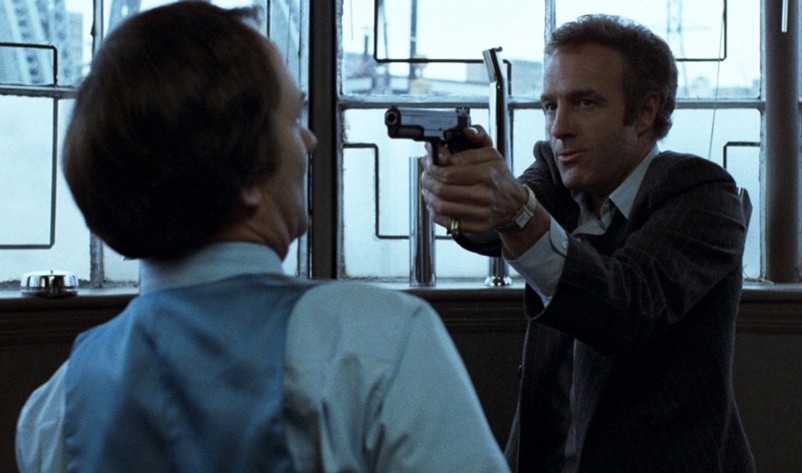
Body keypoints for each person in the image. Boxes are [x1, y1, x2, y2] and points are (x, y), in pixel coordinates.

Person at [15, 3, 509, 472]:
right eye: (293, 120)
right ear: (246, 174)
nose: (310, 141)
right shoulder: (377, 344)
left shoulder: (52, 412)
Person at [420, 14, 755, 473]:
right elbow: (497, 229)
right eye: (550, 106)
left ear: (645, 112)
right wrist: (465, 190)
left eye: (584, 103)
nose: (559, 127)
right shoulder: (556, 172)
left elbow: (627, 306)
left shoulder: (702, 193)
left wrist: (513, 210)